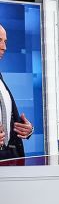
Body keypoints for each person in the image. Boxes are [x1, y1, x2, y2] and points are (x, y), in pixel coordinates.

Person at [0, 24, 34, 160]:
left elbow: (7, 118)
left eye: (5, 41)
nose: (4, 47)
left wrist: (26, 129)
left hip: (9, 157)